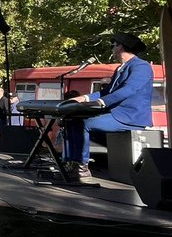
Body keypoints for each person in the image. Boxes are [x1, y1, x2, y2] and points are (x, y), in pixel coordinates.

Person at [65, 31, 155, 180]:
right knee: (71, 120)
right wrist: (84, 98)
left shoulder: (141, 66)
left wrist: (102, 102)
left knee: (83, 123)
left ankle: (82, 168)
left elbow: (129, 89)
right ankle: (70, 163)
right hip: (116, 114)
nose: (112, 49)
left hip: (130, 116)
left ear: (121, 47)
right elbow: (107, 91)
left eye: (113, 45)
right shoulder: (121, 68)